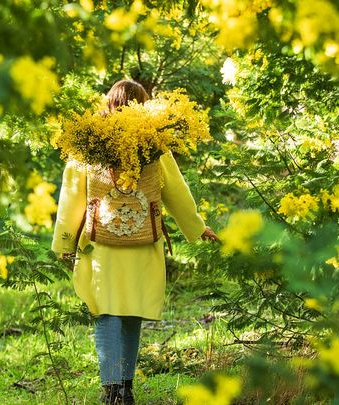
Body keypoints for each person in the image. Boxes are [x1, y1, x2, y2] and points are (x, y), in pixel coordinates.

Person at [51, 79, 219, 405]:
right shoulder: (155, 146)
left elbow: (70, 198)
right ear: (143, 104)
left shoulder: (87, 144)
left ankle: (112, 390)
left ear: (109, 103)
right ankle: (124, 388)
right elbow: (176, 193)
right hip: (143, 244)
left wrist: (65, 243)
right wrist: (197, 228)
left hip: (100, 247)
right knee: (131, 314)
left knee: (107, 313)